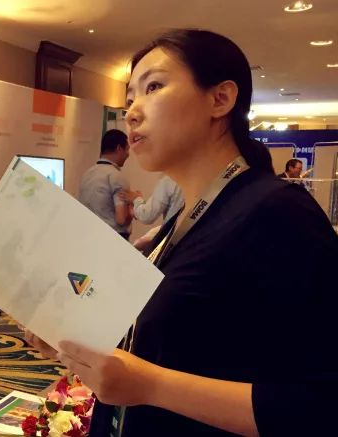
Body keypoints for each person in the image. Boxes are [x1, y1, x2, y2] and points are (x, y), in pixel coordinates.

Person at [26, 29, 338, 436]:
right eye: (129, 98)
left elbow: (321, 405)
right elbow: (186, 341)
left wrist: (152, 386)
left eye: (153, 87)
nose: (131, 112)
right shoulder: (185, 218)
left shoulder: (278, 213)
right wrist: (76, 343)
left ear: (220, 99)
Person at [78, 129, 133, 239]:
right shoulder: (117, 177)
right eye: (127, 149)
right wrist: (132, 209)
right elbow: (121, 219)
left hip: (87, 236)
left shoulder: (86, 175)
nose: (128, 154)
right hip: (113, 239)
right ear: (119, 148)